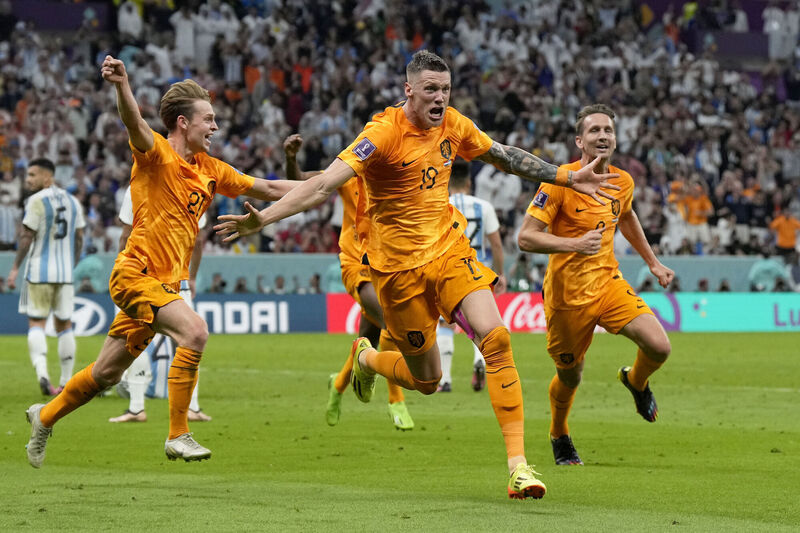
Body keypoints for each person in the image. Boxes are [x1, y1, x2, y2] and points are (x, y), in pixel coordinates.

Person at [216, 51, 618, 499]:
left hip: (449, 252)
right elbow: (323, 184)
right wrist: (264, 219)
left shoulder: (454, 125)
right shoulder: (382, 134)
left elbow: (505, 157)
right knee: (426, 380)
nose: (440, 98)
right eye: (431, 89)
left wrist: (565, 175)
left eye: (445, 90)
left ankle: (519, 467)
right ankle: (366, 358)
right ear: (408, 89)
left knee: (497, 339)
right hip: (396, 272)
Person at [24, 55, 298, 468]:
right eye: (209, 119)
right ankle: (178, 434)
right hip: (135, 275)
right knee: (196, 332)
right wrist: (122, 85)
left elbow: (272, 187)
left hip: (163, 287)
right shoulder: (155, 155)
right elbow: (134, 122)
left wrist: (340, 176)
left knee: (106, 374)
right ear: (183, 123)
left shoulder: (210, 169)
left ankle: (43, 417)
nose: (216, 127)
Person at [517, 103, 673, 467]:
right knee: (570, 376)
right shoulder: (559, 181)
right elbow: (526, 238)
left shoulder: (623, 181)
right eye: (594, 131)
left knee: (659, 347)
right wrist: (574, 244)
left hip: (607, 283)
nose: (603, 136)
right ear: (579, 141)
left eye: (608, 130)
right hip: (567, 297)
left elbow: (627, 214)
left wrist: (653, 262)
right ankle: (559, 433)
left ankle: (636, 382)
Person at [282, 134, 414, 431]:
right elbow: (302, 181)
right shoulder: (347, 174)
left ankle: (338, 386)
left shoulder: (399, 178)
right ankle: (396, 401)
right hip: (356, 265)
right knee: (389, 319)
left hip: (387, 266)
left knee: (368, 340)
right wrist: (291, 159)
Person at [108, 186, 211, 424]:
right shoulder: (193, 187)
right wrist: (192, 276)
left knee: (133, 338)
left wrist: (124, 273)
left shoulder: (137, 187)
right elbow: (198, 239)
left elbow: (126, 235)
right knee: (187, 342)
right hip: (178, 280)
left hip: (142, 280)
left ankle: (136, 408)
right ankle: (192, 407)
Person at [7, 158, 85, 396]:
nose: (28, 179)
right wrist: (71, 263)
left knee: (37, 324)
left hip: (39, 272)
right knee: (64, 326)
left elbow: (26, 237)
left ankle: (42, 373)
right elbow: (79, 237)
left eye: (32, 175)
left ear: (47, 177)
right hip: (65, 274)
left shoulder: (35, 201)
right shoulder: (73, 201)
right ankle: (66, 381)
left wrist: (14, 268)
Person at [436, 160, 505, 393]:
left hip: (447, 274)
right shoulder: (484, 207)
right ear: (469, 182)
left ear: (446, 182)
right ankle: (479, 358)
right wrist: (500, 274)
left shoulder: (440, 205)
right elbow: (496, 244)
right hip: (478, 274)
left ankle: (445, 379)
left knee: (445, 325)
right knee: (481, 325)